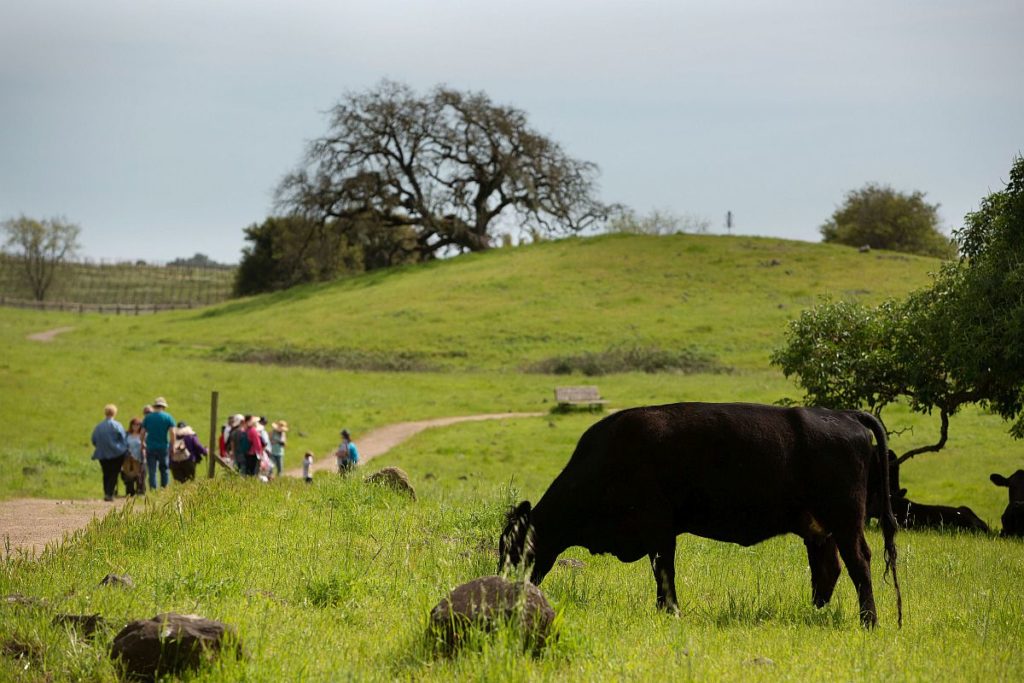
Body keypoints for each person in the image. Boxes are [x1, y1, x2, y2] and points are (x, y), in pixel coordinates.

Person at [91, 404, 128, 502]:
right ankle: (110, 493)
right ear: (114, 413)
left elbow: (94, 440)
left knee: (106, 473)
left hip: (102, 454)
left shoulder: (98, 427)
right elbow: (123, 439)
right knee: (114, 473)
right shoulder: (117, 425)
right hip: (116, 453)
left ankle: (106, 492)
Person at [141, 397, 176, 490]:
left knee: (152, 470)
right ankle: (164, 488)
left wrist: (142, 443)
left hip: (150, 447)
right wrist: (172, 446)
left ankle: (153, 489)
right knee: (164, 469)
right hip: (163, 447)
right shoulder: (168, 417)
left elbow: (142, 432)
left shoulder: (148, 418)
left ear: (155, 406)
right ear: (164, 407)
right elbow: (172, 433)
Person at [121, 417, 146, 497]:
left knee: (140, 475)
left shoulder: (143, 434)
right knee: (129, 475)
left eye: (138, 424)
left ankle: (140, 491)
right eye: (134, 424)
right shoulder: (127, 434)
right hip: (129, 457)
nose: (136, 426)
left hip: (139, 457)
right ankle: (130, 492)